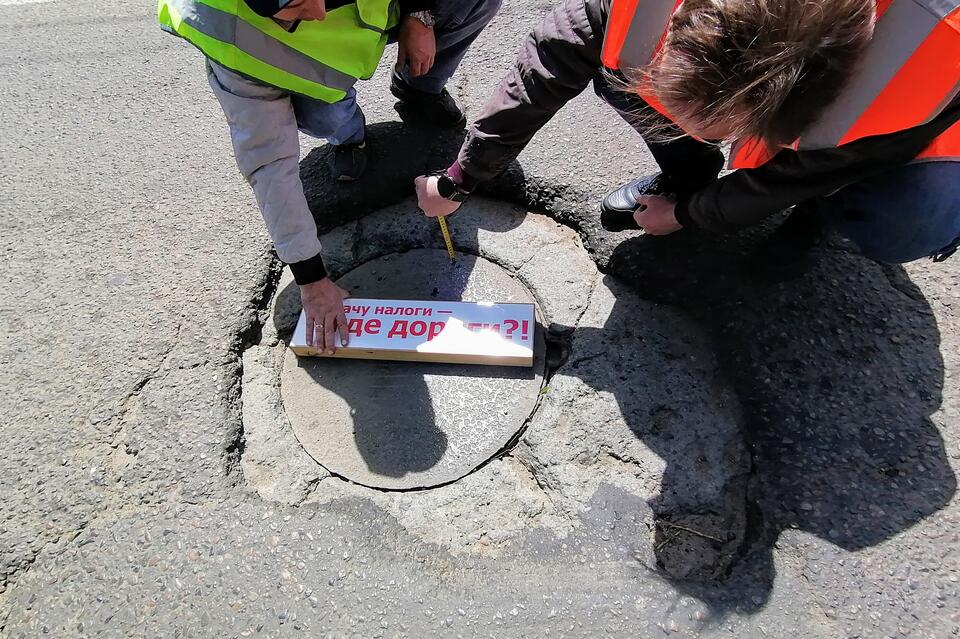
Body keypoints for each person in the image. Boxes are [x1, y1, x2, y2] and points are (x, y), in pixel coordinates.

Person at [415, 0, 960, 278]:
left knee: (907, 217)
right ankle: (686, 175)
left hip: (920, 118)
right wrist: (462, 177)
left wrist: (689, 216)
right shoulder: (640, 10)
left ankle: (816, 217)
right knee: (618, 67)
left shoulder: (911, 60)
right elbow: (547, 65)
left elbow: (819, 162)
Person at [158, 0, 501, 353]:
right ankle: (349, 135)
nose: (318, 15)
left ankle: (418, 86)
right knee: (331, 117)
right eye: (292, 12)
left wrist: (420, 14)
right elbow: (268, 163)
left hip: (389, 14)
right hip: (295, 65)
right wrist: (311, 279)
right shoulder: (227, 30)